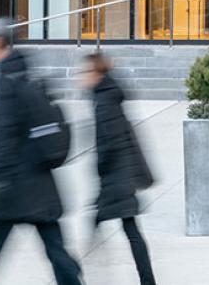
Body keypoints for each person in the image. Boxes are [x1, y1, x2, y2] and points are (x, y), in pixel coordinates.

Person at [0, 19, 82, 285]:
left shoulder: (11, 82)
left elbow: (8, 137)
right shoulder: (17, 74)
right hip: (34, 183)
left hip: (18, 185)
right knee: (53, 248)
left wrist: (3, 180)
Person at [79, 53, 157, 285]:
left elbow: (111, 142)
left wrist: (100, 166)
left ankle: (72, 273)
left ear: (96, 73)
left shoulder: (104, 101)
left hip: (115, 176)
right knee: (130, 229)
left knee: (106, 225)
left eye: (84, 72)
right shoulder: (107, 95)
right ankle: (147, 280)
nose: (81, 77)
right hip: (121, 174)